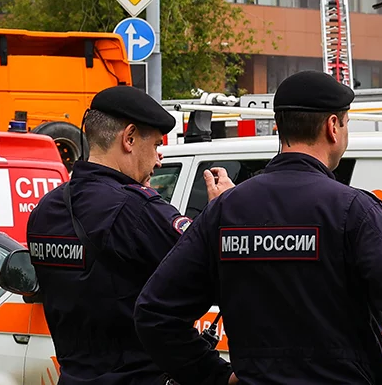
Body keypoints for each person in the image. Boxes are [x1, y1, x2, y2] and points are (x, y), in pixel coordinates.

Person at [135, 70, 382, 385]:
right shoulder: (352, 211)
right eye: (346, 124)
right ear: (333, 127)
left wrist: (215, 375)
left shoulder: (224, 210)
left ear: (279, 127)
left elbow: (155, 314)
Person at [25, 85, 234, 385]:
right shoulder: (137, 211)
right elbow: (211, 266)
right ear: (130, 138)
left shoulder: (46, 210)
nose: (158, 160)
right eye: (156, 145)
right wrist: (223, 212)